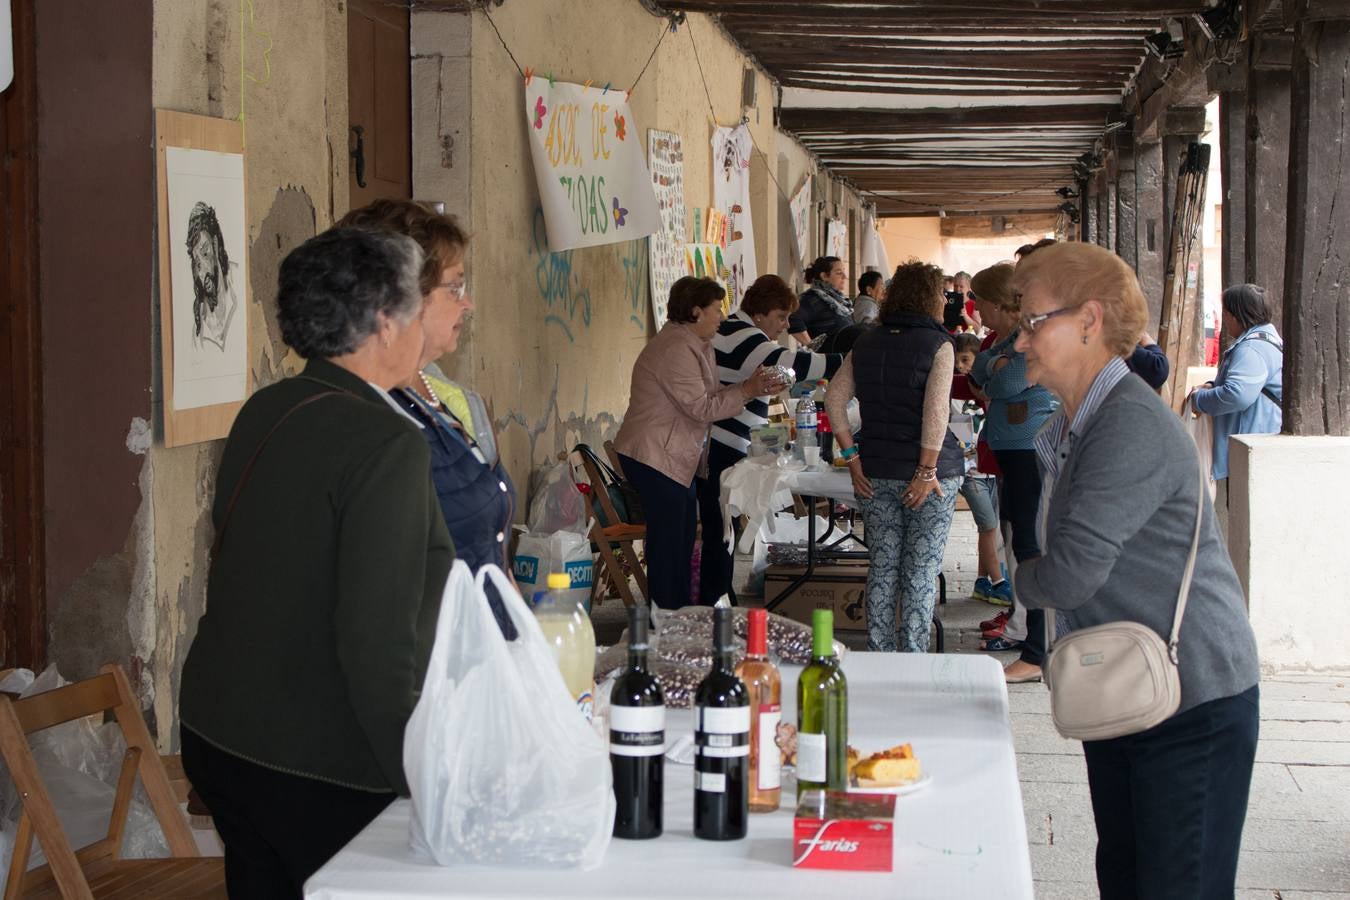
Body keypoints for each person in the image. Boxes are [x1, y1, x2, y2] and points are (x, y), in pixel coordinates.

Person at [179, 227, 455, 897]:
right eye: (418, 303)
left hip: (222, 729)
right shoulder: (386, 443)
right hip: (323, 761)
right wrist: (421, 784)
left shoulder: (270, 405)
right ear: (386, 323)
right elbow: (376, 643)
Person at [1010, 241, 1259, 899]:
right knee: (1126, 879)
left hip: (1190, 699)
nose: (1019, 340)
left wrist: (1017, 581)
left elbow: (1069, 575)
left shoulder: (1126, 425)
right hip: (1132, 685)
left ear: (1089, 321)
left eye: (1034, 321)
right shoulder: (1083, 422)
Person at [338, 199, 516, 638]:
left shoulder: (456, 400)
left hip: (492, 657)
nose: (468, 303)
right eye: (454, 288)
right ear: (402, 297)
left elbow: (492, 552)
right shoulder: (364, 416)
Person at [826, 260, 965, 653]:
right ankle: (913, 658)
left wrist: (852, 459)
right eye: (940, 293)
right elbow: (937, 412)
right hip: (929, 477)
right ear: (930, 298)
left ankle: (879, 653)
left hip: (876, 471)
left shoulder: (865, 341)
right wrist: (925, 471)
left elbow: (834, 400)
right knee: (920, 569)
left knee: (883, 566)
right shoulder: (939, 345)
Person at [614, 277, 775, 609]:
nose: (721, 316)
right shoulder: (676, 348)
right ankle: (667, 617)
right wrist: (747, 390)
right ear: (695, 311)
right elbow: (701, 407)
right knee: (670, 542)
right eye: (716, 309)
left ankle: (676, 612)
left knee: (682, 537)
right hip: (655, 455)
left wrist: (748, 387)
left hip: (671, 456)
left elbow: (711, 397)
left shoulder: (695, 344)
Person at [703, 274, 844, 602]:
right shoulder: (744, 336)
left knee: (723, 526)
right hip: (720, 443)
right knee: (720, 527)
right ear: (761, 313)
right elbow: (795, 363)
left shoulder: (741, 331)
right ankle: (715, 599)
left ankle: (719, 596)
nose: (785, 325)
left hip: (727, 441)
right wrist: (849, 361)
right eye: (780, 317)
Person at [969, 263, 1058, 683]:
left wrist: (998, 370)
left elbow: (1003, 387)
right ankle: (1036, 646)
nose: (975, 309)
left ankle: (1037, 652)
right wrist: (995, 365)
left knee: (1030, 548)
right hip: (1014, 451)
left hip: (1029, 452)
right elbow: (979, 369)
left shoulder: (1028, 337)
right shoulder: (1010, 340)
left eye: (980, 301)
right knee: (1022, 544)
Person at [1190, 283, 1283, 485]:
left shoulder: (1252, 348)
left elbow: (1236, 395)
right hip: (1259, 443)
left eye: (1225, 313)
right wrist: (1213, 385)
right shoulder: (1266, 339)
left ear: (1236, 315)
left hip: (1252, 446)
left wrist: (1197, 399)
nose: (1224, 319)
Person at [951, 331, 1008, 606]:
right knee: (989, 525)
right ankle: (999, 583)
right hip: (969, 472)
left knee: (990, 528)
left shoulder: (987, 391)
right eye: (957, 360)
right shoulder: (954, 395)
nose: (960, 366)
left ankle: (982, 580)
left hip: (990, 469)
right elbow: (958, 437)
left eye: (965, 360)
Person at [186, 201, 240, 351]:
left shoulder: (239, 282)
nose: (202, 271)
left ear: (215, 245)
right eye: (197, 262)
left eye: (205, 252)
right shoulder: (198, 331)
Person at [788, 255, 852, 343]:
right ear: (824, 276)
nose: (844, 276)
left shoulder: (840, 300)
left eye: (843, 272)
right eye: (839, 272)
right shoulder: (813, 298)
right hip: (827, 355)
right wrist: (811, 347)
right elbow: (794, 319)